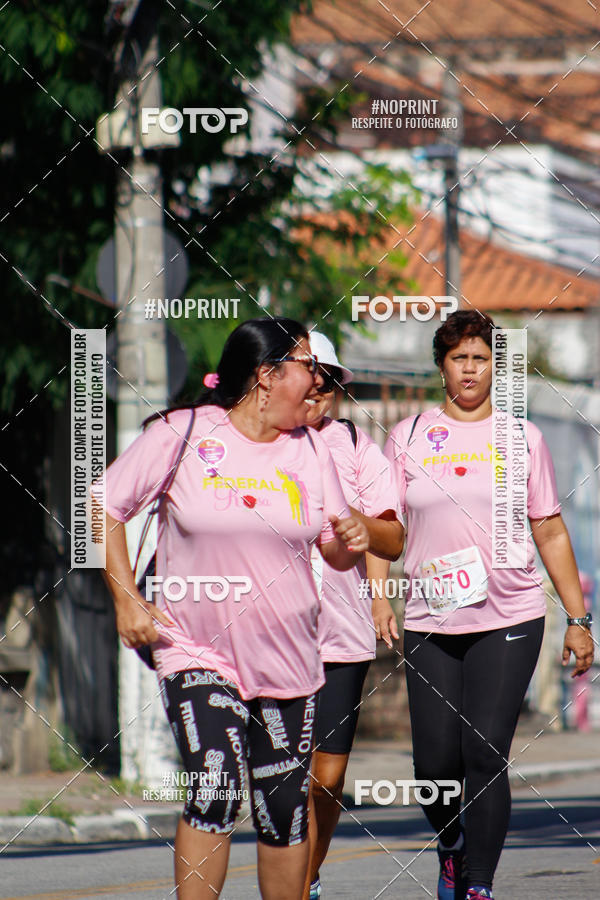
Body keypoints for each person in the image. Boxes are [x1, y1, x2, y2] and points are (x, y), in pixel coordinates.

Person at [94, 317, 370, 900]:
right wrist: (126, 599)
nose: (318, 382)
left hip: (289, 662)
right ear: (267, 376)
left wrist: (351, 541)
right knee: (214, 783)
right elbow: (105, 504)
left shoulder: (312, 449)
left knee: (282, 809)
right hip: (195, 649)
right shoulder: (184, 432)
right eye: (307, 367)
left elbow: (336, 556)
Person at [378, 310, 594, 900]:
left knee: (484, 750)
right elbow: (384, 524)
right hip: (430, 617)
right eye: (458, 358)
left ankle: (479, 885)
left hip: (512, 613)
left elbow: (548, 529)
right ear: (441, 367)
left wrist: (578, 620)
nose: (470, 369)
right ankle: (451, 847)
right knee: (433, 767)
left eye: (480, 357)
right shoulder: (408, 435)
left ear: (495, 365)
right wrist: (379, 596)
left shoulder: (524, 437)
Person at [301, 333, 404, 900]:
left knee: (329, 776)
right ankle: (290, 883)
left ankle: (309, 871)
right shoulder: (263, 443)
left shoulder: (359, 446)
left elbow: (385, 528)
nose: (319, 386)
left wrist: (379, 596)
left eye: (330, 377)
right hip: (273, 635)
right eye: (310, 373)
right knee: (286, 774)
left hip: (341, 633)